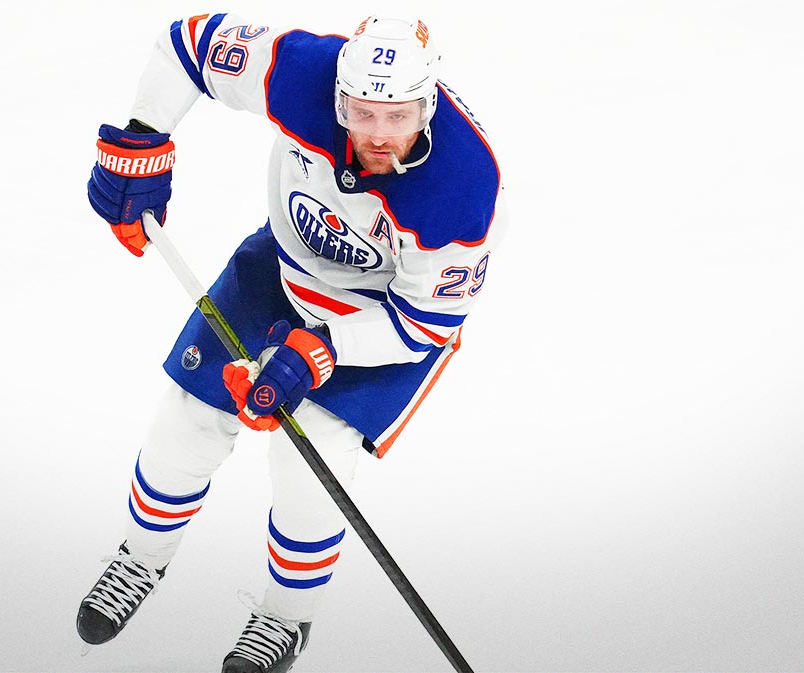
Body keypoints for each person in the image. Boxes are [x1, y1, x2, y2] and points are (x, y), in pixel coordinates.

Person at [78, 12, 508, 673]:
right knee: (185, 420)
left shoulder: (463, 186)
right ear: (337, 97)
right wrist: (142, 137)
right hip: (283, 270)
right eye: (361, 113)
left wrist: (321, 350)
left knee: (310, 467)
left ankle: (285, 616)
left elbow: (424, 324)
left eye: (397, 117)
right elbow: (187, 45)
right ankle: (140, 557)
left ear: (427, 105)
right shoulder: (302, 72)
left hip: (378, 322)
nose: (378, 135)